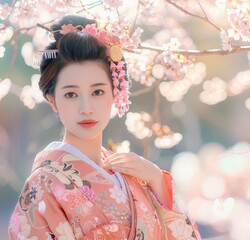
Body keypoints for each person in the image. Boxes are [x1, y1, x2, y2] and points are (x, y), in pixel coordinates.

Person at [8, 15, 201, 239]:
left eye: (97, 92)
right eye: (71, 94)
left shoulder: (134, 177)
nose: (86, 108)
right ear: (53, 101)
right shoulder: (43, 186)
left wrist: (158, 183)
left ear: (114, 93)